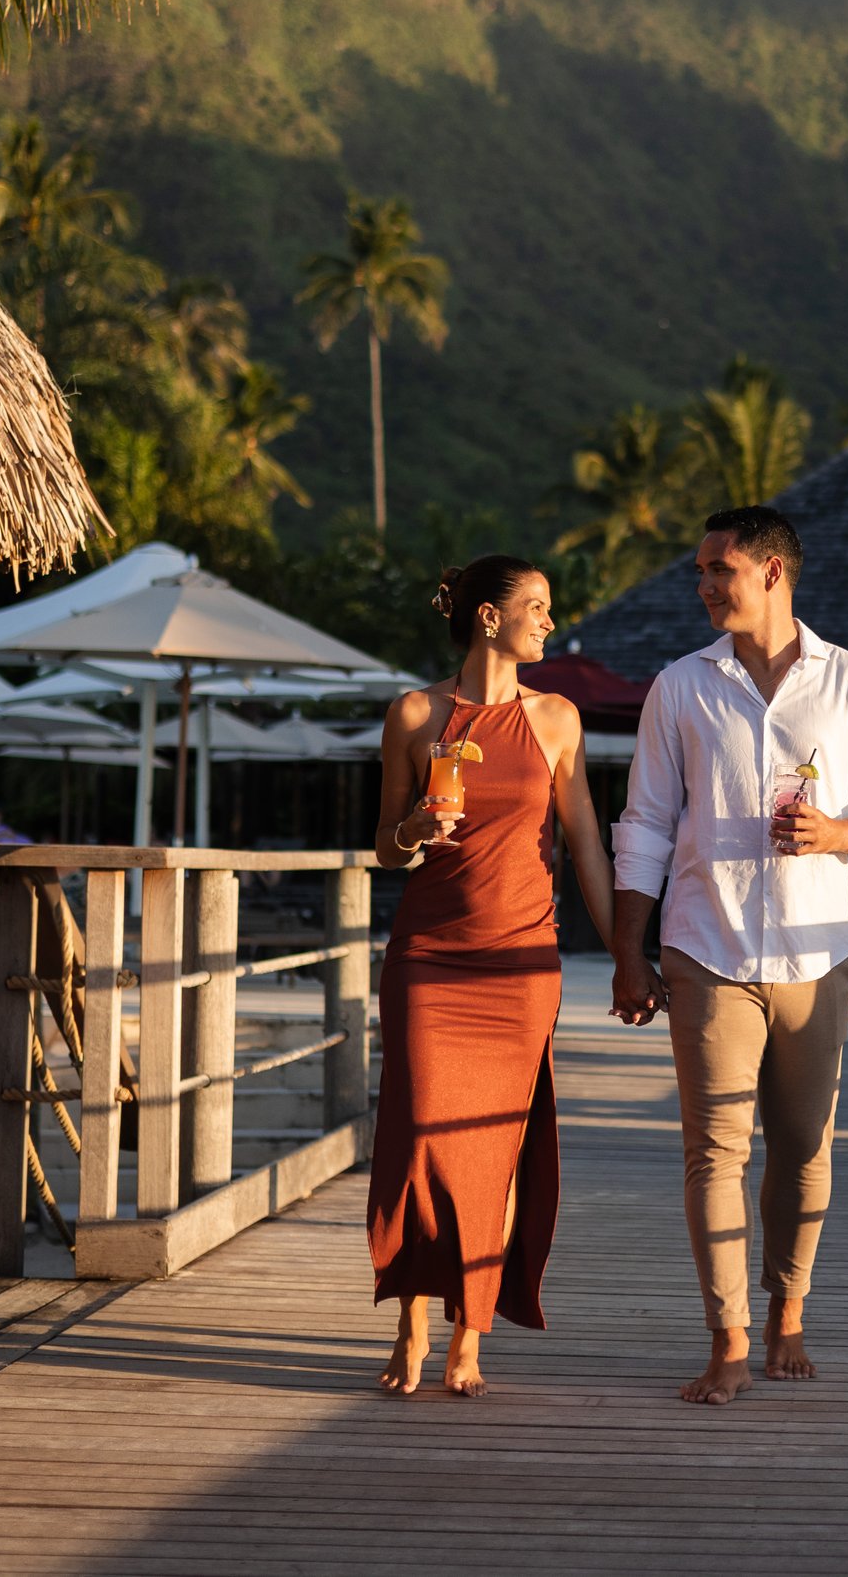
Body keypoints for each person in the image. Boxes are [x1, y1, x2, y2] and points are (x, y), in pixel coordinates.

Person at [611, 505, 848, 1405]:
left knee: (802, 1147)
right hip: (705, 949)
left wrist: (842, 832)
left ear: (774, 573)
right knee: (714, 1152)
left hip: (817, 952)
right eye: (701, 573)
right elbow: (645, 826)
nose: (705, 586)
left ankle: (788, 1309)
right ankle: (728, 1337)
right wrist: (630, 952)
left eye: (721, 571)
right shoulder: (679, 686)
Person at [367, 556, 617, 1396]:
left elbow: (586, 844)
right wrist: (416, 825)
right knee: (421, 1143)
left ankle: (469, 1334)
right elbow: (384, 849)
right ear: (486, 616)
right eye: (536, 607)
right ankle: (409, 1322)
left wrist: (627, 953)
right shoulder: (413, 712)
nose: (550, 620)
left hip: (521, 963)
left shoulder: (556, 719)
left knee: (495, 1155)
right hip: (430, 957)